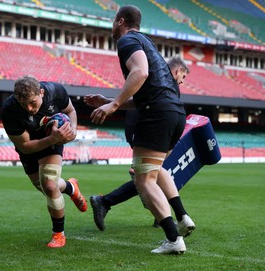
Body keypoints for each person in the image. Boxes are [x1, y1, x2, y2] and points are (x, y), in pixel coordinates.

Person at [89, 5, 194, 254]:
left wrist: (113, 105)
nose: (112, 26)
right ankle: (181, 218)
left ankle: (174, 239)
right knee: (154, 173)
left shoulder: (127, 40)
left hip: (156, 116)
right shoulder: (146, 42)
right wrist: (108, 100)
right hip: (175, 113)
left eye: (113, 21)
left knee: (144, 179)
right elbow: (143, 95)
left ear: (120, 21)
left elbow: (140, 72)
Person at [84, 56, 190, 231]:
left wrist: (108, 102)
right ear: (178, 70)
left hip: (149, 127)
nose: (183, 81)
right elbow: (138, 102)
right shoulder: (161, 79)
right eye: (183, 76)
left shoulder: (166, 84)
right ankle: (167, 218)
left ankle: (106, 202)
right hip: (145, 127)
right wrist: (110, 104)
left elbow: (138, 101)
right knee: (148, 176)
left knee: (149, 175)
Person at [1, 75, 88, 248]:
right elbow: (25, 146)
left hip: (53, 139)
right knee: (45, 187)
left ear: (41, 92)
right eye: (23, 104)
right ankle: (71, 187)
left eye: (33, 102)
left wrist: (73, 130)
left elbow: (71, 111)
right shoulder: (9, 110)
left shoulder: (56, 91)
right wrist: (52, 139)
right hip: (31, 146)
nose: (29, 108)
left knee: (49, 186)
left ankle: (58, 234)